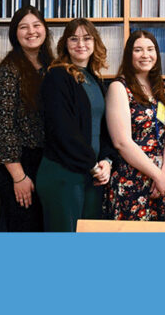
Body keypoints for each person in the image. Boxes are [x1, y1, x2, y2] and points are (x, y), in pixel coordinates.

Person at [36, 18, 115, 232]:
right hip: (63, 175)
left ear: (95, 43)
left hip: (91, 175)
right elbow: (62, 130)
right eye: (74, 38)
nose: (81, 44)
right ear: (65, 44)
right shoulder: (57, 76)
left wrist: (106, 161)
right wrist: (93, 165)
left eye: (87, 38)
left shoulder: (95, 79)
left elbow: (103, 128)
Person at [0, 6, 54, 231]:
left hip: (44, 160)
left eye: (36, 25)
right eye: (23, 27)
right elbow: (2, 126)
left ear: (45, 29)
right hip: (18, 163)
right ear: (14, 33)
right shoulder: (8, 70)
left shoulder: (51, 66)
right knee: (23, 226)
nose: (31, 31)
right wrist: (19, 177)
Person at [105, 30, 165, 220]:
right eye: (138, 50)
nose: (145, 55)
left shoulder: (162, 88)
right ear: (129, 55)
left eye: (150, 49)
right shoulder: (119, 87)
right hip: (131, 180)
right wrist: (157, 175)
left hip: (162, 183)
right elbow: (122, 142)